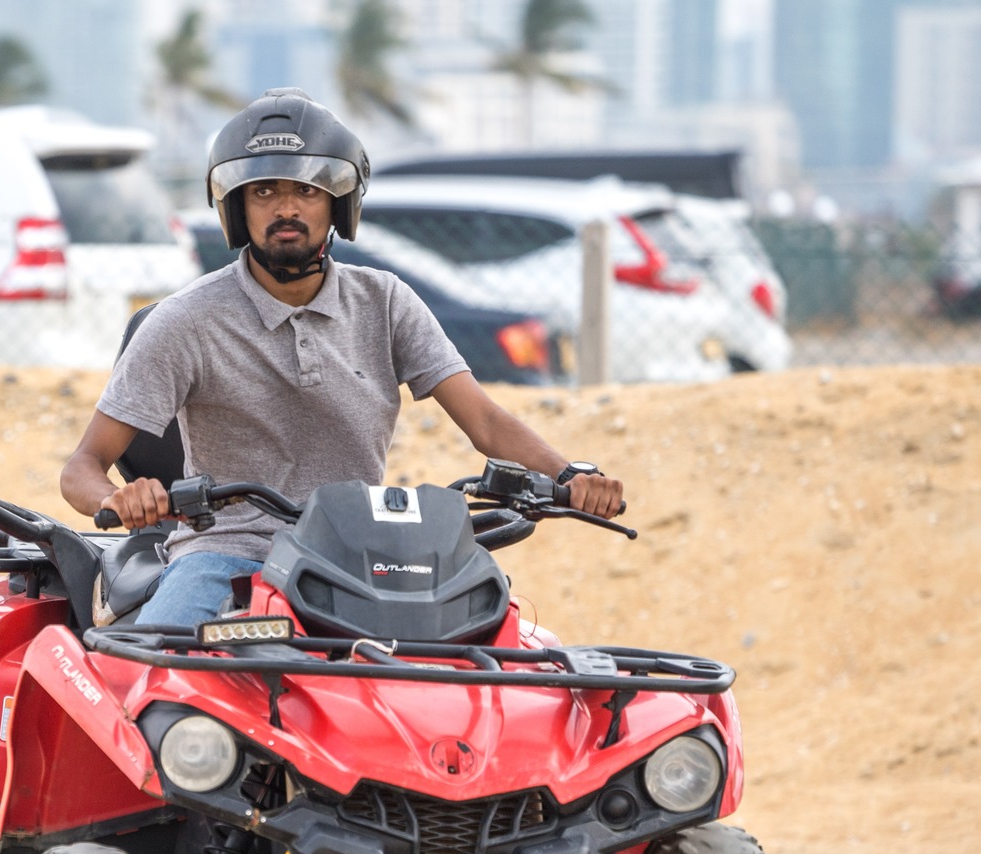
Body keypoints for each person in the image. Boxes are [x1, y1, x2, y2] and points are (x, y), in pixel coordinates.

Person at [59, 89, 625, 627]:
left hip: (359, 559)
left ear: (338, 203)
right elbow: (81, 468)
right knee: (155, 672)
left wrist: (569, 474)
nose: (286, 208)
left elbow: (485, 421)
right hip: (227, 556)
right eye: (264, 192)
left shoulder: (385, 302)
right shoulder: (186, 321)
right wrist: (117, 498)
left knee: (496, 651)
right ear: (237, 208)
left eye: (306, 191)